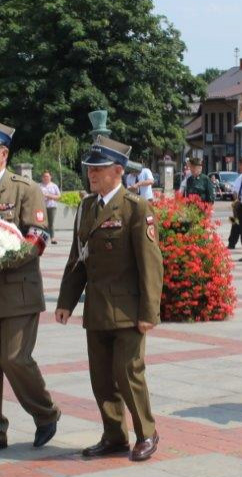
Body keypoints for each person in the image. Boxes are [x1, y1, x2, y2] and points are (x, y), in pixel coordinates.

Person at [56, 136, 163, 460]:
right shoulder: (88, 207)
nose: (92, 173)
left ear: (118, 170)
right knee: (101, 378)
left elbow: (151, 263)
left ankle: (147, 432)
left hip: (129, 309)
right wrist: (65, 301)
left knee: (127, 372)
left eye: (99, 168)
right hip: (98, 307)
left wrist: (149, 312)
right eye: (91, 168)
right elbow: (79, 257)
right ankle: (114, 435)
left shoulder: (135, 207)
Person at [0, 118, 59, 455]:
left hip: (18, 290)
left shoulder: (24, 188)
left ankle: (45, 413)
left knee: (14, 358)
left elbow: (39, 237)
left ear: (4, 153)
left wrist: (2, 259)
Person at [40, 172, 61, 243]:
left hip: (52, 207)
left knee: (51, 223)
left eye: (48, 176)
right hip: (42, 207)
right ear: (42, 178)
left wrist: (49, 196)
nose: (46, 178)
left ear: (50, 177)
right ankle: (43, 238)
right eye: (45, 176)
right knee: (43, 223)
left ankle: (52, 238)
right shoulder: (39, 186)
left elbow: (58, 196)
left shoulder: (54, 186)